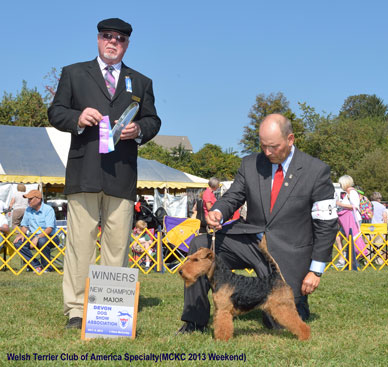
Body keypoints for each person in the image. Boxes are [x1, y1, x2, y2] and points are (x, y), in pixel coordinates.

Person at [177, 113, 338, 334]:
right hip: (249, 241)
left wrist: (316, 270)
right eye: (263, 146)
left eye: (273, 146)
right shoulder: (250, 164)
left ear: (290, 139)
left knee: (277, 322)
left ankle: (299, 303)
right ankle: (194, 322)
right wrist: (218, 211)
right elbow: (233, 196)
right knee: (200, 243)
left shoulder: (316, 171)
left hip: (288, 250)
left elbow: (326, 224)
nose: (267, 152)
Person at [48, 18, 161, 329]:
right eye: (107, 36)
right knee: (80, 244)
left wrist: (140, 129)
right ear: (98, 39)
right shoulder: (73, 73)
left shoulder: (141, 82)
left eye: (120, 39)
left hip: (122, 174)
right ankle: (77, 309)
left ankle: (111, 307)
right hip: (84, 170)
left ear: (127, 44)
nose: (113, 42)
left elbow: (154, 120)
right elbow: (56, 111)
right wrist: (78, 117)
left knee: (118, 244)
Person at [13, 190, 59, 272]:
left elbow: (49, 229)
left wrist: (37, 237)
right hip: (34, 237)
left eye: (30, 199)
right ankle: (36, 265)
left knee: (42, 241)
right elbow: (24, 226)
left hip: (51, 237)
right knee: (18, 242)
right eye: (28, 199)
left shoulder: (48, 209)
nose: (28, 201)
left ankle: (47, 267)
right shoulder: (28, 210)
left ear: (38, 199)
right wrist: (21, 234)